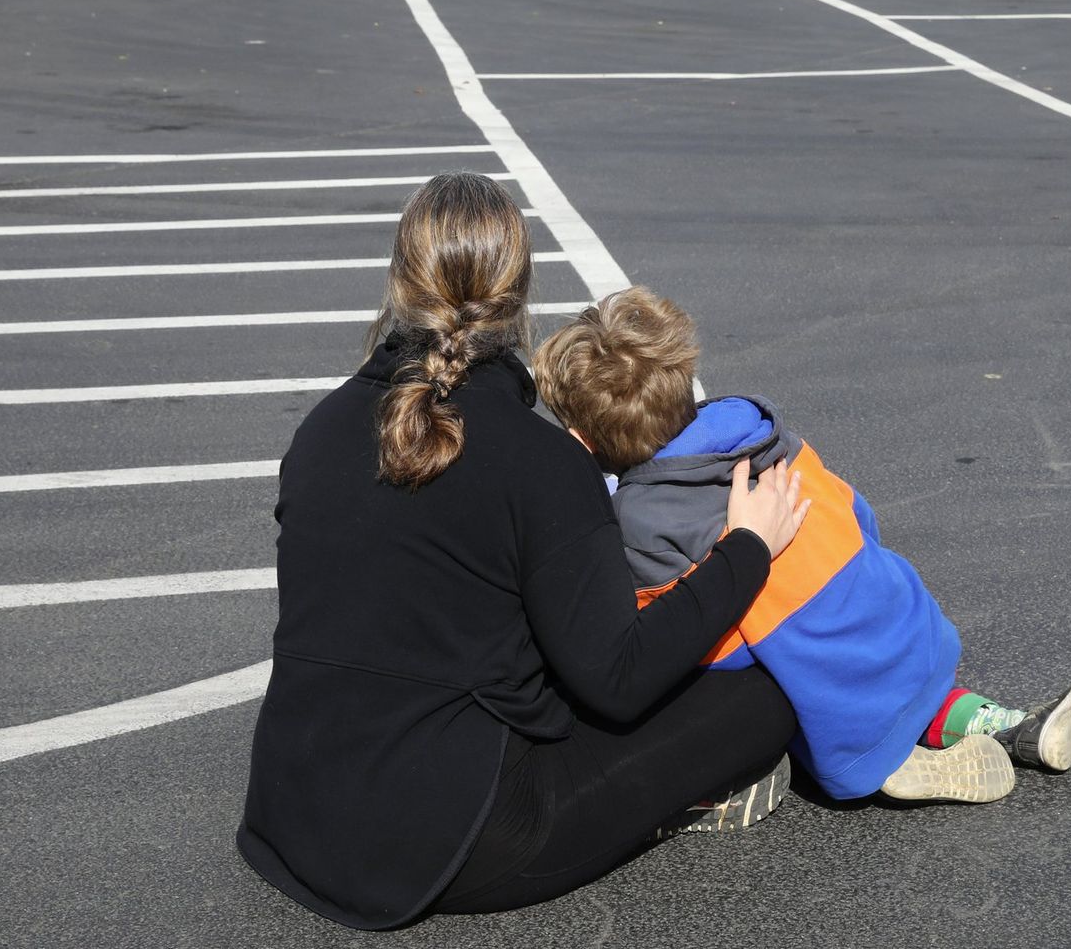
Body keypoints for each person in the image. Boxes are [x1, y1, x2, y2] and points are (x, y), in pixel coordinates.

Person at [237, 173, 811, 930]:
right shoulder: (540, 460)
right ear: (518, 297)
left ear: (400, 281)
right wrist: (745, 549)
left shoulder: (318, 433)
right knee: (765, 694)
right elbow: (620, 679)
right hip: (450, 838)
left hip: (294, 813)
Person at [534, 286, 1071, 806]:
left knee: (746, 667)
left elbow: (668, 633)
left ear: (581, 440)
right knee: (915, 691)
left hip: (841, 700)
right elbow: (859, 514)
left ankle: (894, 767)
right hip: (904, 624)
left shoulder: (645, 516)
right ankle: (1009, 724)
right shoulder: (761, 436)